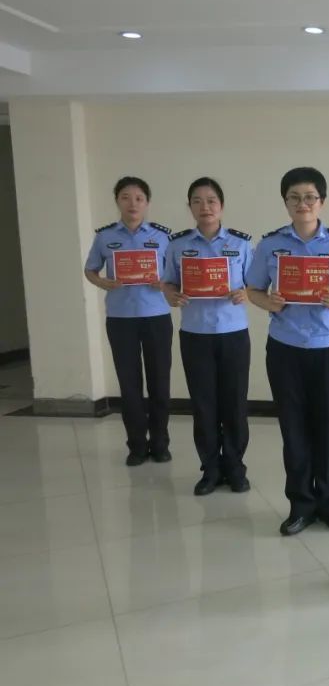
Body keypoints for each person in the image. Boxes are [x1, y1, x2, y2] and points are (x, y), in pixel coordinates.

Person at [246, 167, 329, 536]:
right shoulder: (270, 245)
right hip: (286, 348)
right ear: (286, 202)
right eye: (294, 197)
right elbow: (253, 289)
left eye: (310, 197)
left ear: (321, 202)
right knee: (293, 430)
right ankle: (300, 505)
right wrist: (269, 302)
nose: (302, 203)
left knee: (328, 428)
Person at [162, 177, 253, 496]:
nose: (205, 207)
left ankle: (236, 467)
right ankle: (210, 469)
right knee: (203, 404)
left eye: (211, 200)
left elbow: (255, 285)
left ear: (222, 206)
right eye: (197, 201)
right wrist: (171, 295)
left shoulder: (241, 244)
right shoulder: (177, 245)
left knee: (235, 403)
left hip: (233, 333)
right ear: (189, 207)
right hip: (195, 334)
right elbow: (168, 282)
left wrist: (245, 293)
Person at [84, 176, 173, 466]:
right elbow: (90, 269)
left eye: (138, 198)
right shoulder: (105, 237)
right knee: (129, 383)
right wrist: (102, 282)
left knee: (160, 382)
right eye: (125, 197)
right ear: (117, 201)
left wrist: (164, 283)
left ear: (147, 203)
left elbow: (176, 273)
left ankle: (160, 443)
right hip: (121, 319)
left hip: (156, 317)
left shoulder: (163, 237)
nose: (132, 203)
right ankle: (136, 446)